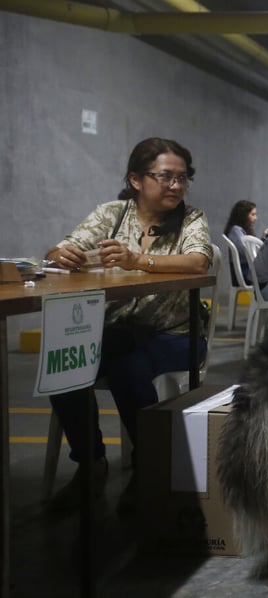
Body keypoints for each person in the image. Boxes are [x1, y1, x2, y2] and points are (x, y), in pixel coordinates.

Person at [44, 137, 212, 510]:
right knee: (65, 361)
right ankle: (90, 461)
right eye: (165, 177)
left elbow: (198, 261)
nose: (175, 186)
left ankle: (150, 465)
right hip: (116, 331)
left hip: (175, 334)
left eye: (182, 178)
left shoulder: (191, 219)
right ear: (136, 180)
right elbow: (57, 250)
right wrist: (62, 255)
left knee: (128, 366)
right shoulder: (112, 214)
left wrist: (139, 260)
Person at [223, 199, 257, 285]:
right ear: (243, 215)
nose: (255, 218)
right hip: (244, 273)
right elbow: (246, 252)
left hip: (247, 271)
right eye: (252, 214)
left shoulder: (241, 231)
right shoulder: (235, 230)